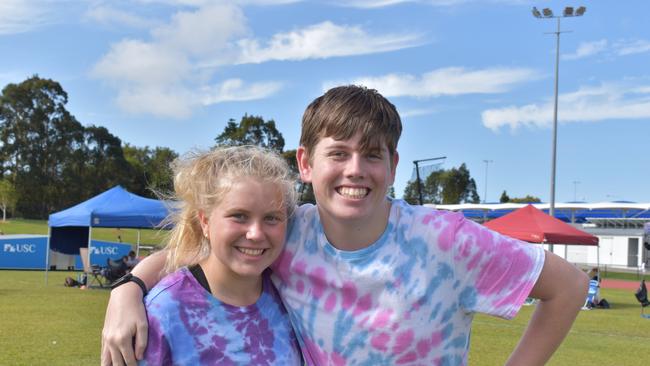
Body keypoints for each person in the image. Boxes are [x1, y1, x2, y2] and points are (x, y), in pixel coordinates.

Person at [102, 86, 589, 366]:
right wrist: (127, 289)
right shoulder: (288, 231)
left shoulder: (446, 239)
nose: (356, 170)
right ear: (306, 163)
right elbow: (207, 248)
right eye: (338, 153)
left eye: (372, 155)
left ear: (393, 165)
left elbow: (567, 285)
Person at [129, 146, 302, 365]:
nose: (256, 234)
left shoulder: (290, 296)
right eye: (239, 216)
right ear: (205, 222)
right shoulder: (164, 310)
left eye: (271, 218)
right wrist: (127, 287)